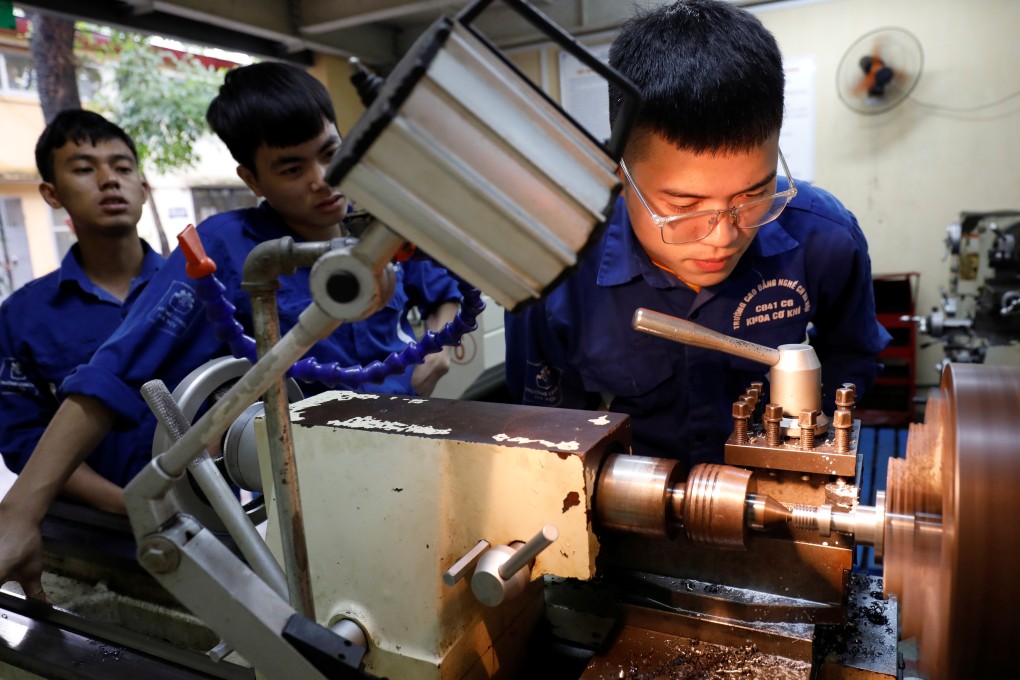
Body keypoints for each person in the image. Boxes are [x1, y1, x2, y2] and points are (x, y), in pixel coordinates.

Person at [0, 62, 461, 599]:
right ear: (252, 179)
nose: (323, 181)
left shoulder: (381, 220)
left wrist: (440, 345)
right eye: (291, 168)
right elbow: (113, 373)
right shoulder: (231, 250)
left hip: (418, 458)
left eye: (331, 153)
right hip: (320, 500)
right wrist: (19, 510)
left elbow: (444, 284)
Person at [505, 0, 891, 468]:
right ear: (620, 174)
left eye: (754, 194)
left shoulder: (823, 237)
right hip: (631, 501)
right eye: (684, 207)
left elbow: (853, 357)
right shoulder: (557, 268)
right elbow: (549, 435)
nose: (722, 237)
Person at [0, 109, 164, 515]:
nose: (109, 180)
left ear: (142, 187)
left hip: (213, 525)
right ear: (52, 194)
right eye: (84, 169)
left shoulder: (198, 295)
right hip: (92, 538)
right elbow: (24, 437)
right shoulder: (21, 317)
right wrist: (128, 505)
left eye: (122, 167)